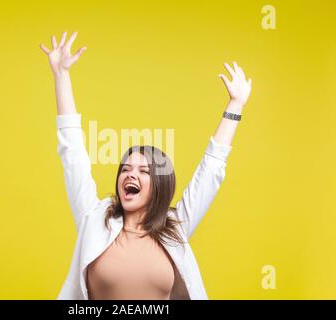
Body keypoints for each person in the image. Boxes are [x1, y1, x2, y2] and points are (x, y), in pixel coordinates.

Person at [40, 31, 252, 300]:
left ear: (160, 185)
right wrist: (61, 75)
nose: (130, 175)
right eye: (126, 169)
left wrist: (235, 105)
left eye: (143, 171)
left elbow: (210, 171)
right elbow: (73, 154)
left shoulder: (176, 227)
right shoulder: (93, 218)